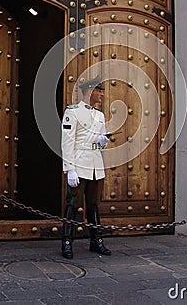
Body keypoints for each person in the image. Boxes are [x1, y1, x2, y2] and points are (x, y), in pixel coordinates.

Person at [60, 76, 112, 259]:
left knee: (93, 205)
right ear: (90, 91)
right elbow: (67, 142)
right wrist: (70, 169)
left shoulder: (100, 115)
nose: (102, 94)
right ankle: (67, 241)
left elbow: (99, 143)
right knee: (73, 204)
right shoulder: (72, 112)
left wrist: (102, 141)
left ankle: (96, 241)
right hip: (79, 164)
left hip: (96, 166)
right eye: (100, 91)